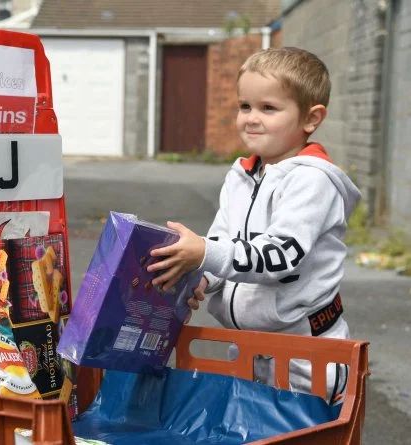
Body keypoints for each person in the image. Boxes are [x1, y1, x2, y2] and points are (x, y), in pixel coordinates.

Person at [147, 47, 361, 402]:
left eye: (268, 108)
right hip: (247, 345)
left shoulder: (313, 182)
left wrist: (205, 252)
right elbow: (223, 239)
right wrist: (202, 276)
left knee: (304, 433)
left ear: (311, 119)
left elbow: (280, 256)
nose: (251, 118)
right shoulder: (242, 174)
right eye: (245, 106)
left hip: (306, 354)